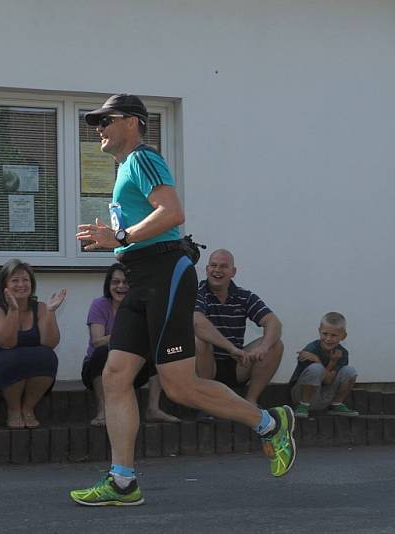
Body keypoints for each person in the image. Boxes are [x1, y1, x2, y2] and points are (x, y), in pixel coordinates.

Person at [70, 94, 296, 506]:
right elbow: (144, 228)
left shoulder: (142, 157)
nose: (98, 128)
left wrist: (119, 237)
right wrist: (116, 243)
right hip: (140, 279)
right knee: (115, 376)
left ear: (134, 122)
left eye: (106, 120)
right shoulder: (124, 168)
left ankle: (270, 423)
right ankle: (123, 482)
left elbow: (172, 213)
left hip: (164, 274)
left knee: (180, 386)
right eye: (95, 123)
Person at [82, 263, 180, 426]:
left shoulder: (143, 307)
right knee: (101, 353)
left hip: (132, 369)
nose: (120, 286)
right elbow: (97, 341)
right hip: (98, 369)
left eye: (125, 282)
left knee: (158, 352)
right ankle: (103, 411)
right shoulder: (99, 304)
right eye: (115, 282)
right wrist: (126, 337)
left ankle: (153, 409)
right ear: (108, 285)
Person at [0, 259, 66, 429]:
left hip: (23, 365)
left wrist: (50, 312)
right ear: (4, 285)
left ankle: (28, 408)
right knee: (14, 357)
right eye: (15, 280)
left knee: (48, 357)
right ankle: (13, 410)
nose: (21, 284)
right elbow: (7, 343)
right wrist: (13, 311)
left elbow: (49, 343)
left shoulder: (40, 307)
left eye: (25, 280)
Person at [194, 249, 284, 406]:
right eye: (213, 265)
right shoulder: (197, 293)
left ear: (233, 271)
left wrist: (263, 347)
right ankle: (206, 404)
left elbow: (273, 322)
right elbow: (197, 323)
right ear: (207, 269)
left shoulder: (244, 296)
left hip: (236, 366)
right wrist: (231, 348)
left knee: (275, 345)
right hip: (205, 366)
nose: (217, 270)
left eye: (223, 266)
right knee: (200, 341)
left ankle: (250, 402)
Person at [290, 312, 358, 418]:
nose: (328, 339)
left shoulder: (342, 353)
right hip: (301, 396)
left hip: (324, 398)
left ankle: (336, 404)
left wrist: (326, 361)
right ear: (319, 331)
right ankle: (303, 405)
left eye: (334, 335)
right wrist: (320, 362)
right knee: (316, 369)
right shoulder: (311, 350)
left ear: (343, 336)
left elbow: (328, 380)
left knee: (350, 371)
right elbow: (322, 376)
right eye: (325, 334)